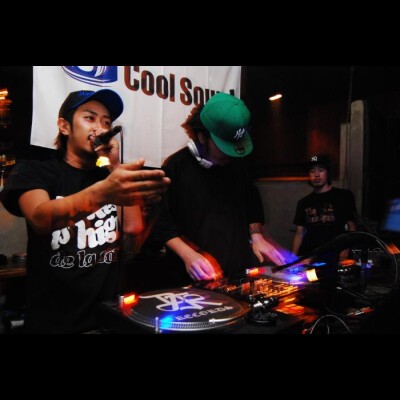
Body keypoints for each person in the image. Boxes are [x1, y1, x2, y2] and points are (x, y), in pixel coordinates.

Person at [0, 89, 170, 333]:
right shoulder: (36, 171)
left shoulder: (109, 177)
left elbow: (132, 227)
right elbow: (40, 218)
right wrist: (102, 194)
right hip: (54, 323)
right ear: (64, 126)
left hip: (107, 319)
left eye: (106, 122)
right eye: (90, 118)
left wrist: (114, 165)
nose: (99, 128)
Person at [148, 92, 286, 286]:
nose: (230, 154)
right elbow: (160, 223)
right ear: (202, 136)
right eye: (224, 146)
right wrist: (188, 255)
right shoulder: (176, 167)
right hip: (193, 281)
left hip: (238, 275)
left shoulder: (237, 165)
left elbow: (251, 202)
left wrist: (257, 237)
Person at [291, 154, 358, 261]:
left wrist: (346, 249)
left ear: (328, 173)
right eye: (312, 171)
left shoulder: (344, 196)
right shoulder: (303, 202)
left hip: (336, 255)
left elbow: (352, 227)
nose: (316, 175)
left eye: (321, 170)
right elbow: (299, 233)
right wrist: (292, 259)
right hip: (311, 256)